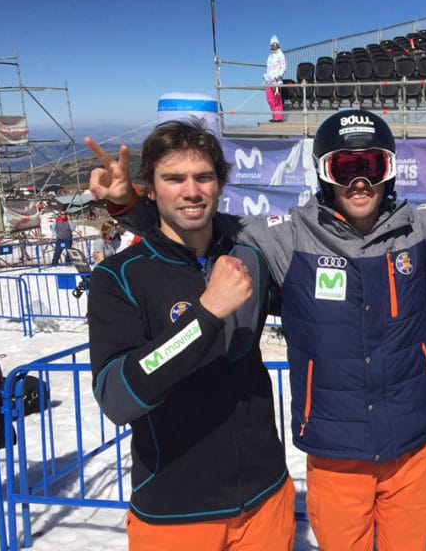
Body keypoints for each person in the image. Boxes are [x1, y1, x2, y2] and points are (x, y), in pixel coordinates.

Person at [87, 100, 426, 551]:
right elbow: (195, 223)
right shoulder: (283, 238)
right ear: (325, 173)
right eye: (345, 165)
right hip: (334, 453)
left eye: (372, 165)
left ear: (389, 171)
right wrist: (129, 206)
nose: (360, 179)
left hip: (412, 445)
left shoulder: (420, 229)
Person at [86, 120, 295, 551]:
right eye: (173, 179)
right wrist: (206, 314)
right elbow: (117, 396)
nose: (191, 191)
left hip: (265, 497)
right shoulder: (118, 277)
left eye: (203, 177)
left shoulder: (248, 254)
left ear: (220, 183)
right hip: (175, 512)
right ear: (151, 187)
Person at [264, 34, 286, 123]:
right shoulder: (270, 56)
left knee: (277, 99)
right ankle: (274, 116)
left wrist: (278, 75)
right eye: (273, 44)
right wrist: (267, 76)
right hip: (269, 80)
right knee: (270, 99)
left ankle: (278, 117)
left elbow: (283, 67)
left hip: (277, 80)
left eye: (276, 44)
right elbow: (268, 68)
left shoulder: (281, 55)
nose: (274, 46)